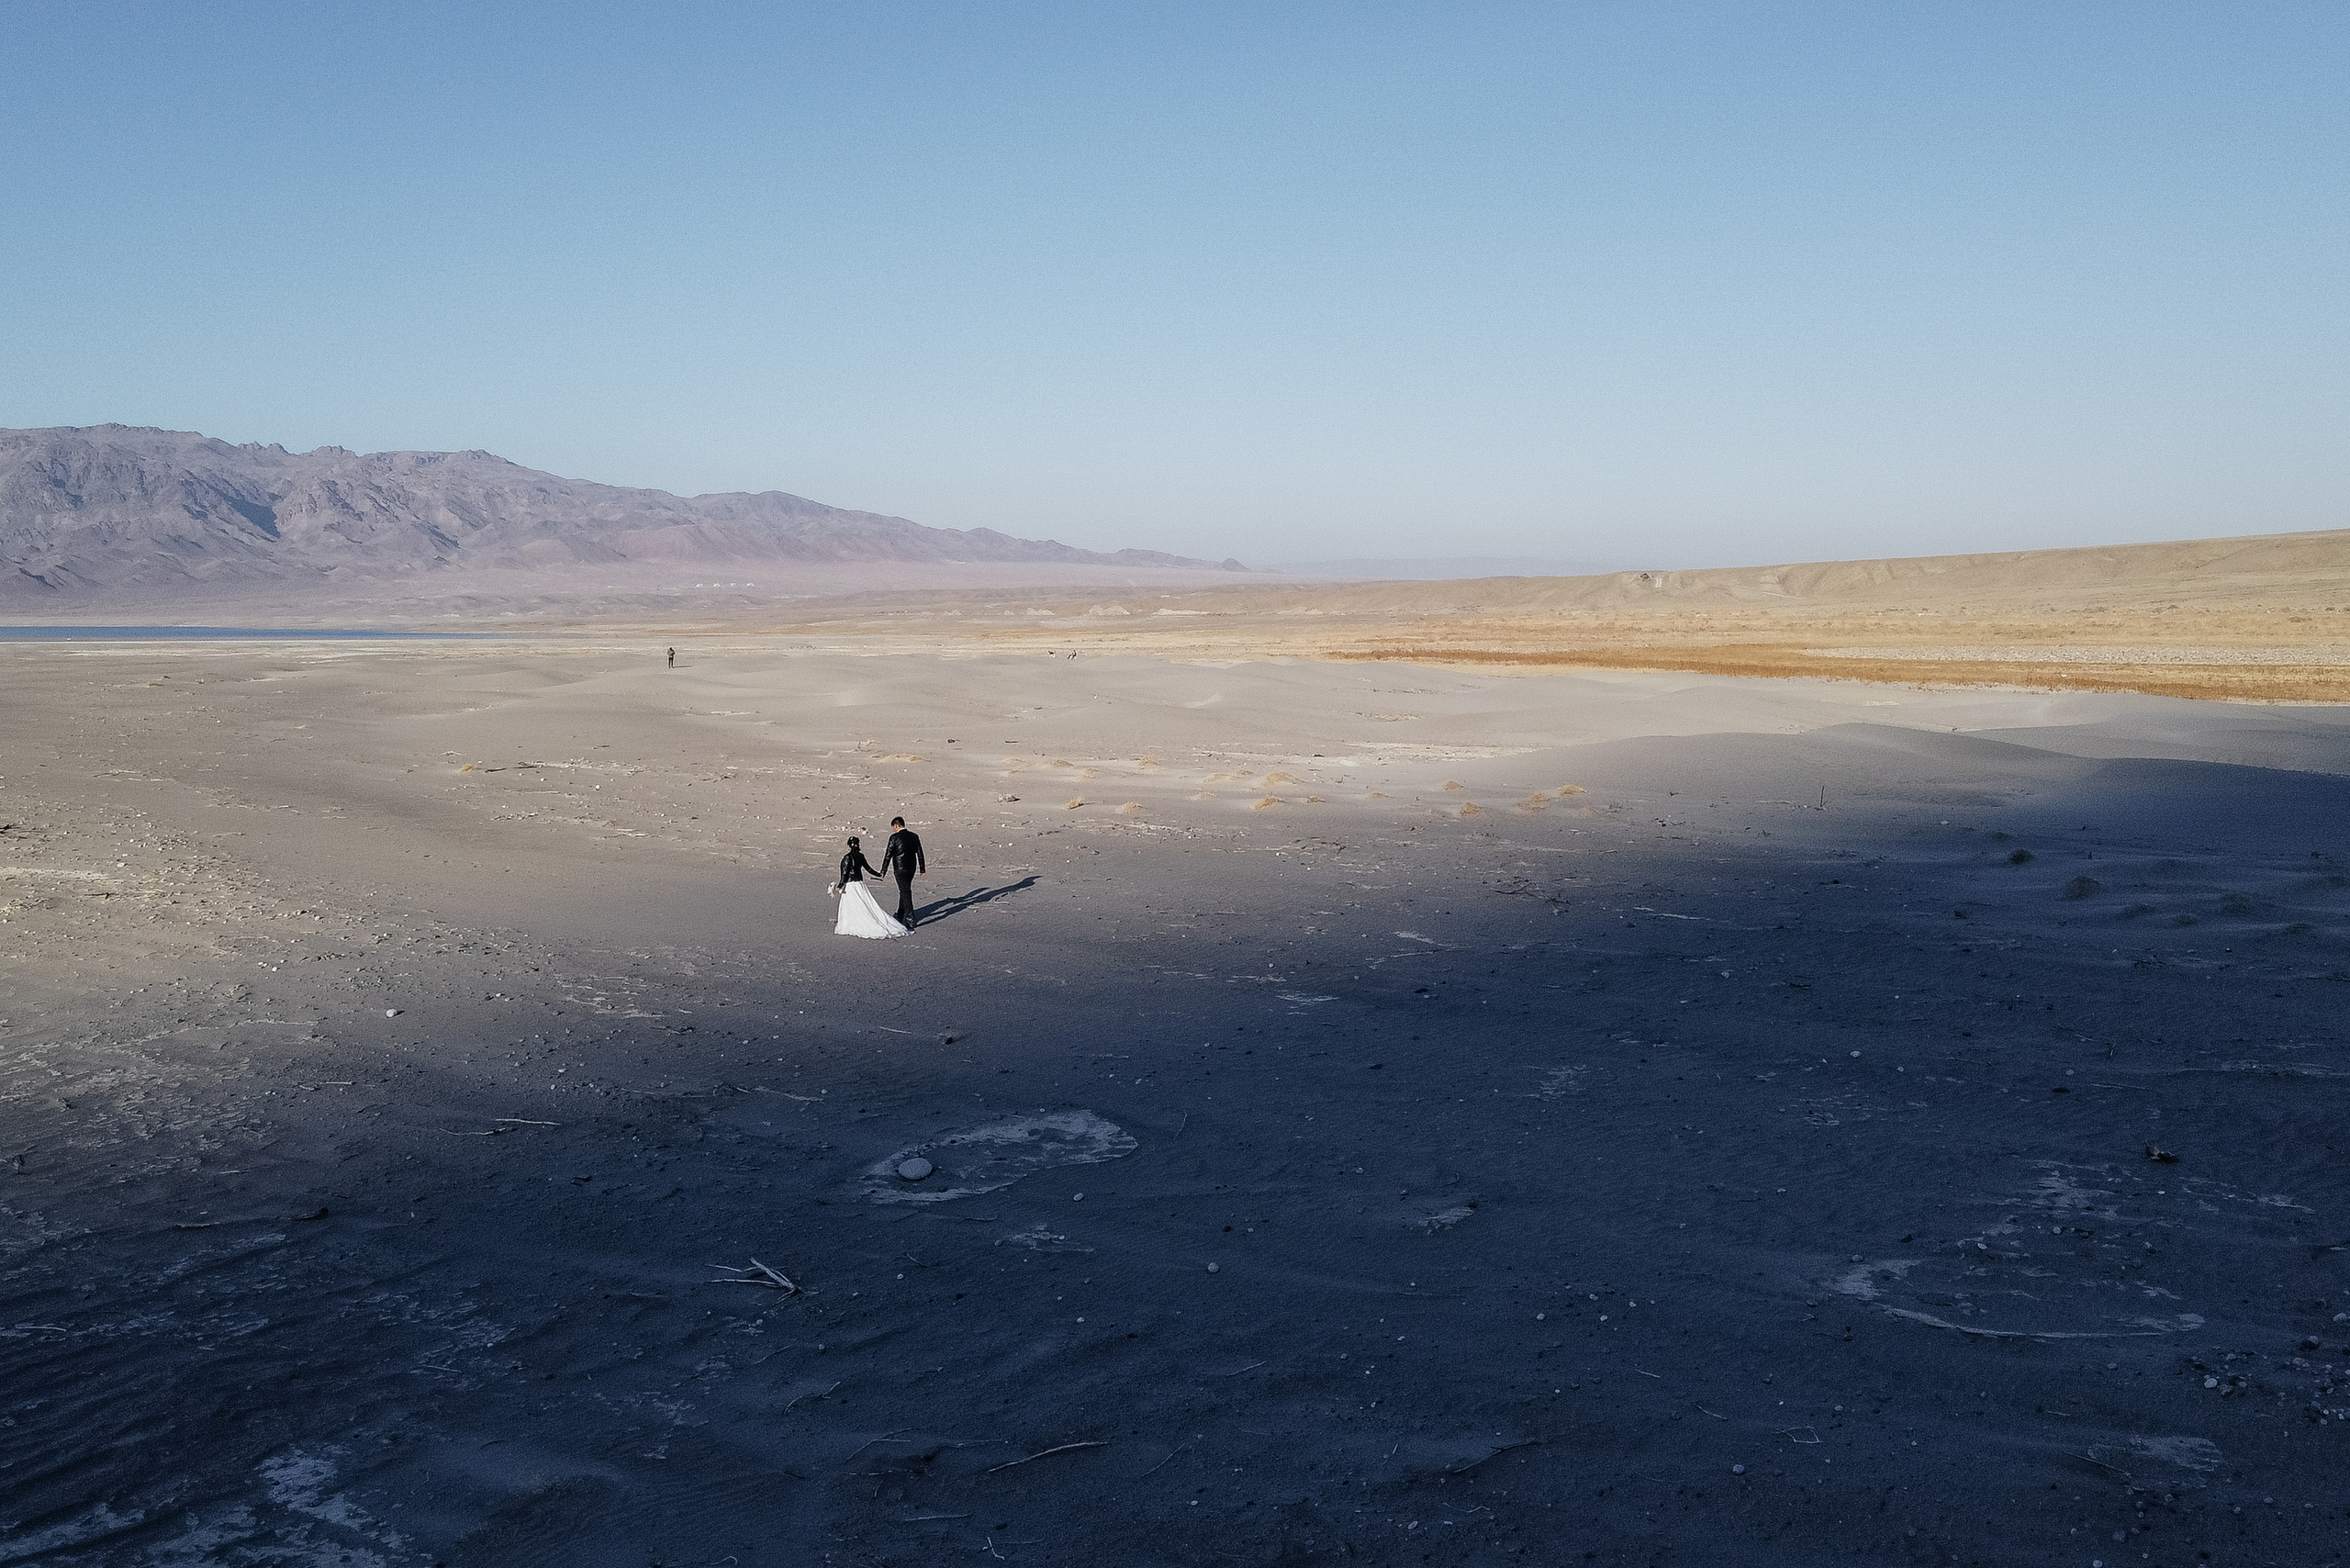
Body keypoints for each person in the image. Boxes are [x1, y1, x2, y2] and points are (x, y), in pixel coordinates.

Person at [830, 835, 904, 939]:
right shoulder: (861, 856)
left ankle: (852, 925)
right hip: (860, 885)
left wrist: (839, 886)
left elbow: (845, 874)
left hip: (851, 886)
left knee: (852, 906)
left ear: (849, 846)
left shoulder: (847, 858)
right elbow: (868, 869)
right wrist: (879, 874)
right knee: (866, 905)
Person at [879, 815, 926, 927]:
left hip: (900, 868)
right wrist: (922, 869)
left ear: (896, 825)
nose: (893, 830)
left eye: (893, 827)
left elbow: (888, 855)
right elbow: (920, 853)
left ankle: (910, 916)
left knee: (905, 891)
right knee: (904, 890)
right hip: (911, 868)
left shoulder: (894, 838)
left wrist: (883, 870)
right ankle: (900, 914)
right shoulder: (914, 836)